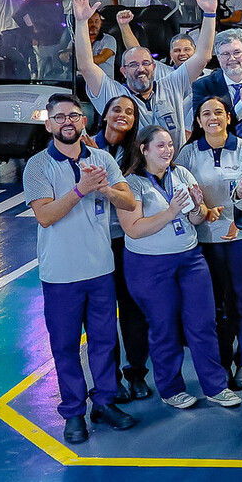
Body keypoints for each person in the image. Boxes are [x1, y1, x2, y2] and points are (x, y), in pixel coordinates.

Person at [26, 94, 139, 444]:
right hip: (60, 275)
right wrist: (80, 189)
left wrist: (104, 188)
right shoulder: (38, 166)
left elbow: (129, 200)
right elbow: (45, 216)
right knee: (64, 346)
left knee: (104, 342)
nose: (67, 122)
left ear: (83, 121)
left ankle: (104, 402)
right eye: (59, 117)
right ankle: (74, 412)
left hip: (100, 270)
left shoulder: (102, 158)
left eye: (74, 115)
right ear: (49, 125)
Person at [119, 126, 241, 410]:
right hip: (150, 265)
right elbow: (134, 229)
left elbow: (197, 219)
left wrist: (198, 206)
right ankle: (171, 388)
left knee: (203, 323)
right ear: (143, 149)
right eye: (160, 146)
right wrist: (171, 212)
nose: (167, 150)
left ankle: (215, 386)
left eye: (170, 145)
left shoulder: (182, 174)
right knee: (164, 327)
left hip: (190, 258)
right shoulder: (132, 184)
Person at [177, 96, 242, 392]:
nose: (213, 118)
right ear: (198, 121)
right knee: (215, 306)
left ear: (229, 117)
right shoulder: (187, 154)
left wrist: (241, 217)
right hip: (205, 241)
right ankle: (221, 361)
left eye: (219, 112)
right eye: (206, 113)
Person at [74, 0, 218, 146]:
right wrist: (81, 23)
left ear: (154, 66)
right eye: (133, 65)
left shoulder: (172, 84)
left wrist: (209, 14)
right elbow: (85, 66)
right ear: (123, 71)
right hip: (130, 170)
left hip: (172, 168)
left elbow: (203, 56)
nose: (141, 68)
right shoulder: (114, 94)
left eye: (145, 63)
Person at [90, 96, 152, 403]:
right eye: (117, 109)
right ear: (104, 115)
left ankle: (136, 373)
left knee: (133, 312)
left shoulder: (136, 154)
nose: (122, 115)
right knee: (101, 315)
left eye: (129, 112)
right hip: (94, 241)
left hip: (126, 241)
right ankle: (110, 379)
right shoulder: (83, 147)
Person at [192, 29, 242, 140]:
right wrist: (241, 108)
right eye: (225, 54)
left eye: (237, 52)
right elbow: (202, 128)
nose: (232, 58)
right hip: (222, 151)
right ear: (218, 57)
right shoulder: (203, 87)